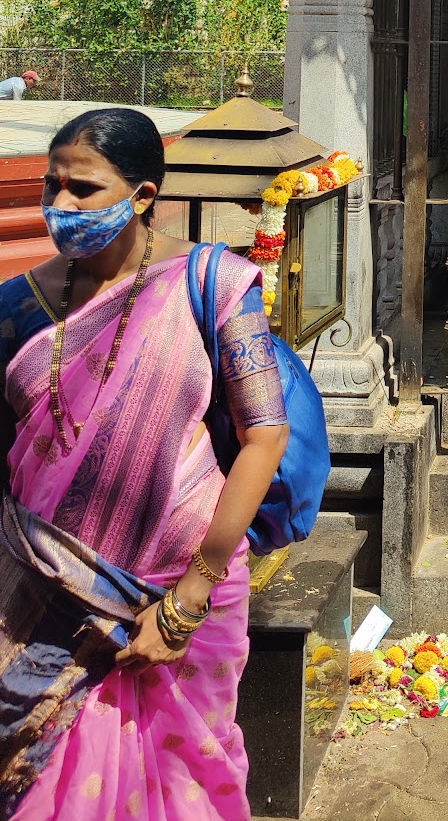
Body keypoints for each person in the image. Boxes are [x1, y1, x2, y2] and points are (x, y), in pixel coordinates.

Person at [0, 107, 289, 820]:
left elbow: (266, 435)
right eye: (52, 185)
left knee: (183, 782)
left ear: (143, 196)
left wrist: (189, 600)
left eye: (84, 190)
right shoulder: (17, 308)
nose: (60, 205)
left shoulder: (214, 286)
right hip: (43, 595)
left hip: (180, 586)